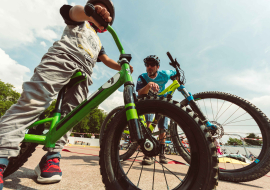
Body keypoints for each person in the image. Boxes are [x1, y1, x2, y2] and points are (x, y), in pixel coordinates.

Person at [0, 0, 133, 188]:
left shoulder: (98, 41)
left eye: (105, 13)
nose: (102, 13)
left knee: (71, 116)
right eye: (99, 7)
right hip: (61, 59)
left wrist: (122, 65)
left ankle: (52, 156)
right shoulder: (81, 20)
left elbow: (105, 59)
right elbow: (71, 12)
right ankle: (1, 154)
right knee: (33, 102)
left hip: (83, 75)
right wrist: (89, 13)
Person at [136, 55, 177, 165]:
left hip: (161, 100)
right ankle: (148, 153)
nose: (149, 67)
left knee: (162, 128)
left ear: (157, 67)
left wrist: (176, 74)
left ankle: (162, 154)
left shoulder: (164, 74)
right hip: (148, 102)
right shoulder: (142, 77)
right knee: (148, 123)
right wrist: (149, 85)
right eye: (147, 65)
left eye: (152, 65)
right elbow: (139, 92)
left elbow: (175, 72)